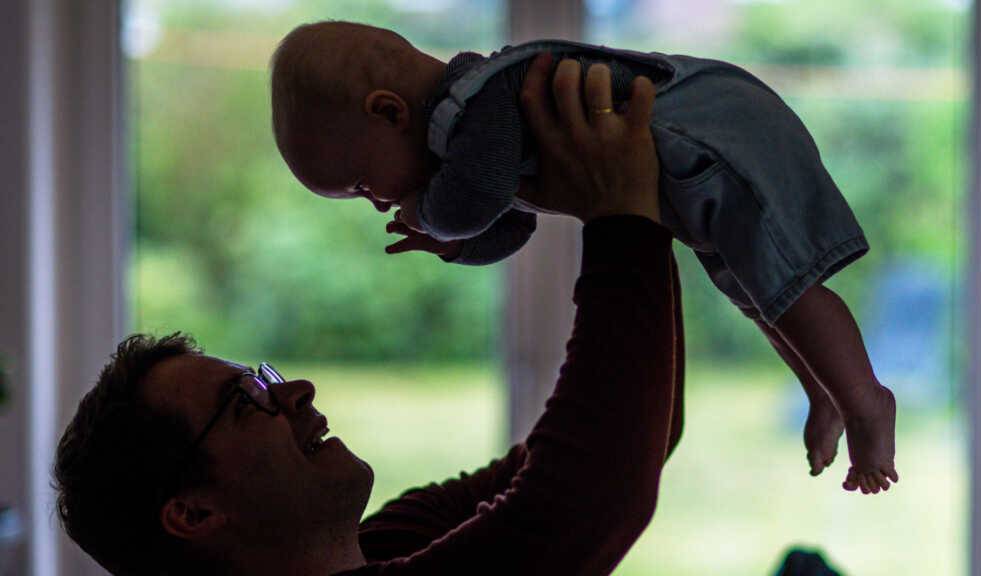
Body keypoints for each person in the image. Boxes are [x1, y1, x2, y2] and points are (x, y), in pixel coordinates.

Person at [52, 52, 685, 575]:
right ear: (192, 513)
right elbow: (585, 500)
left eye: (265, 377)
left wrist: (630, 206)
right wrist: (622, 217)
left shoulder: (388, 540)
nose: (296, 391)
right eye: (249, 400)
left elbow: (635, 439)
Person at [269, 20, 898, 493]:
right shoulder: (478, 134)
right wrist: (459, 244)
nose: (377, 203)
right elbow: (511, 224)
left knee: (787, 283)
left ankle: (866, 400)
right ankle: (824, 390)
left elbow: (476, 197)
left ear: (389, 111)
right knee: (760, 292)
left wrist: (434, 217)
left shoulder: (482, 101)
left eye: (359, 185)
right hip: (695, 167)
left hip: (716, 135)